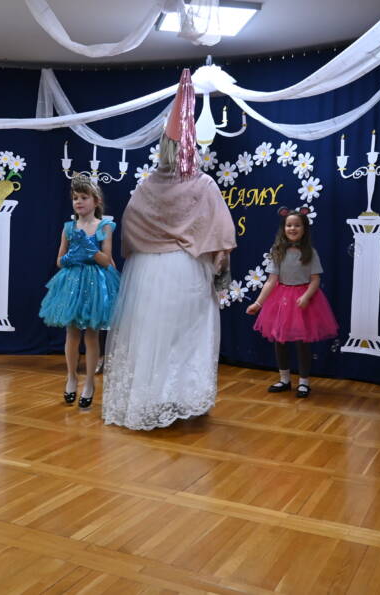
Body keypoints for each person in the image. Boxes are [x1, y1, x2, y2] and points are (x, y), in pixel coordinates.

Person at [102, 68, 236, 431]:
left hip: (148, 270)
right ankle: (181, 398)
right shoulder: (203, 184)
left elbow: (130, 226)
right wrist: (217, 264)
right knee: (187, 336)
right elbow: (222, 237)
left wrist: (145, 247)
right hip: (186, 269)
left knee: (150, 338)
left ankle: (150, 399)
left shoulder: (148, 185)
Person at [39, 174, 120, 408]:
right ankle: (72, 377)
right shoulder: (68, 227)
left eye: (84, 197)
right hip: (72, 282)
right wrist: (70, 257)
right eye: (75, 198)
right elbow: (59, 261)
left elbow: (107, 261)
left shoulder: (104, 226)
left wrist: (90, 249)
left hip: (96, 282)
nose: (79, 202)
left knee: (92, 334)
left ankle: (90, 383)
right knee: (72, 333)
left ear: (96, 201)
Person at [246, 207, 339, 397]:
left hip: (303, 299)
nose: (292, 228)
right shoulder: (277, 251)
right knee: (279, 340)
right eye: (289, 225)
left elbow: (315, 280)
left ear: (304, 229)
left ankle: (304, 382)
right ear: (284, 228)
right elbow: (271, 281)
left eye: (297, 225)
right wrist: (258, 303)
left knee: (302, 342)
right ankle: (284, 379)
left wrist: (306, 296)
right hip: (281, 300)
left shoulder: (310, 252)